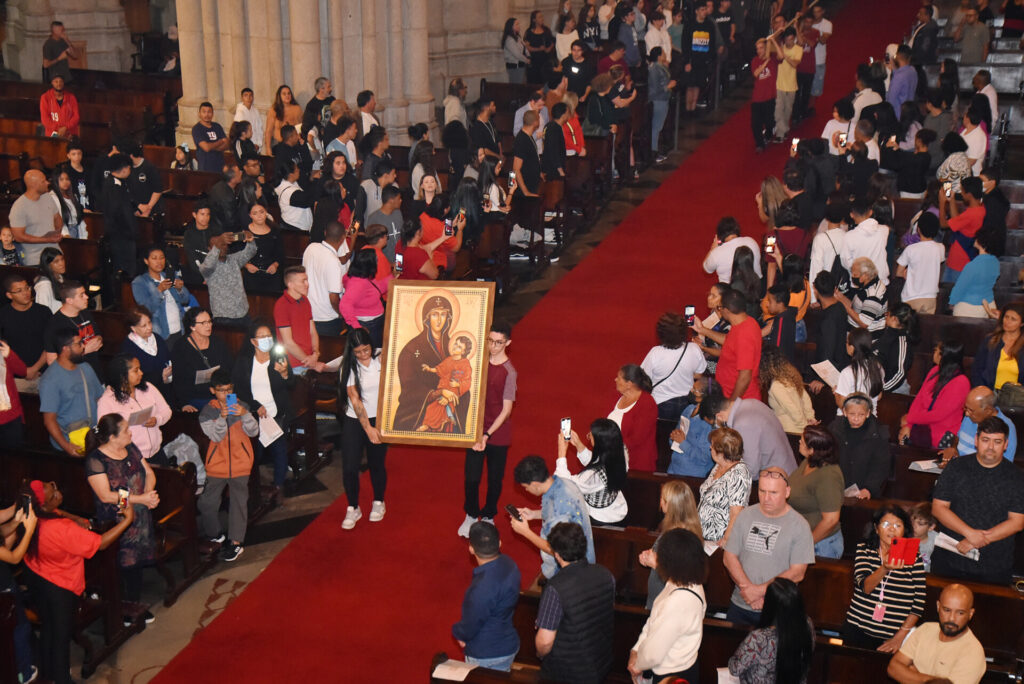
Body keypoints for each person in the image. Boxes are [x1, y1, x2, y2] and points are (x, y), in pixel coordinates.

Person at [23, 479, 133, 684]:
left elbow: (59, 514)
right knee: (61, 635)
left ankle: (47, 673)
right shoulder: (60, 529)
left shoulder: (34, 516)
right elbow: (100, 544)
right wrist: (127, 520)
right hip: (59, 586)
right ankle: (62, 678)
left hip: (36, 575)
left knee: (48, 627)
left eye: (53, 485)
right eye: (53, 492)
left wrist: (76, 519)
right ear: (45, 504)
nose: (56, 489)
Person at [85, 413, 160, 623]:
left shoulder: (131, 448)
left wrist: (149, 493)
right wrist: (140, 499)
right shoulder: (96, 460)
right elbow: (106, 496)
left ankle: (134, 605)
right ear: (112, 437)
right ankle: (122, 610)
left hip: (141, 516)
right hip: (116, 520)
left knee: (136, 565)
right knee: (122, 565)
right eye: (126, 430)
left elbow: (148, 471)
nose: (131, 433)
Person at [931, 416, 1024, 584]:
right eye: (985, 440)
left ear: (1006, 445)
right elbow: (938, 507)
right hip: (950, 556)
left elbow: (1017, 522)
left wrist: (978, 540)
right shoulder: (956, 467)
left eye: (997, 441)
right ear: (976, 440)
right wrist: (969, 533)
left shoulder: (1016, 477)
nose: (990, 447)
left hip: (995, 563)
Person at [723, 466, 815, 625]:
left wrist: (759, 592)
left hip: (777, 610)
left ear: (787, 492)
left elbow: (798, 572)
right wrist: (748, 591)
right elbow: (729, 557)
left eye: (773, 493)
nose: (766, 498)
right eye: (762, 491)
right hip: (740, 604)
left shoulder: (800, 525)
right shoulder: (745, 515)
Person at [531, 522, 614, 683]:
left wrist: (540, 654)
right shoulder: (605, 574)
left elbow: (545, 641)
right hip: (600, 661)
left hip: (569, 672)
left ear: (556, 554)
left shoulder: (555, 587)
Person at [459, 322, 517, 537]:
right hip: (474, 430)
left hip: (497, 434)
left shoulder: (509, 372)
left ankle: (490, 515)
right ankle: (471, 514)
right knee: (471, 477)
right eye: (490, 341)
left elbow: (507, 410)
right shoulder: (477, 362)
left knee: (494, 478)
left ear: (507, 343)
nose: (493, 346)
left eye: (499, 342)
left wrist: (487, 434)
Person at [841, 504, 926, 651]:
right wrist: (884, 568)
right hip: (858, 630)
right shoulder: (865, 549)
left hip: (893, 638)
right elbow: (865, 587)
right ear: (876, 528)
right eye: (886, 524)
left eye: (897, 525)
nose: (892, 529)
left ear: (904, 530)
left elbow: (918, 603)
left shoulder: (914, 558)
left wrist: (899, 638)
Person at [628, 529, 707, 683]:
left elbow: (653, 653)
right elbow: (654, 621)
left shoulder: (679, 601)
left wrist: (637, 664)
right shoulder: (685, 580)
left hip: (673, 675)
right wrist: (636, 649)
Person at [198, 369, 259, 561]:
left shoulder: (241, 405)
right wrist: (222, 418)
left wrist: (246, 414)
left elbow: (253, 431)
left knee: (239, 503)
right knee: (207, 502)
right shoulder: (208, 412)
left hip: (241, 462)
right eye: (221, 390)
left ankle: (236, 542)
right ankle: (215, 533)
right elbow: (216, 436)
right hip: (217, 465)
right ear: (212, 391)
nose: (226, 394)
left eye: (229, 389)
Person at [232, 320, 295, 499]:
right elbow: (238, 389)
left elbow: (291, 383)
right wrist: (254, 406)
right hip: (255, 415)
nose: (267, 339)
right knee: (255, 451)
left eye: (269, 336)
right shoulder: (244, 362)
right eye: (262, 336)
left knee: (279, 449)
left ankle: (278, 485)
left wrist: (284, 374)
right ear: (253, 341)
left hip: (277, 413)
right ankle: (253, 487)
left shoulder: (278, 357)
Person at [510, 455, 595, 578]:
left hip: (568, 572)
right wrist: (534, 514)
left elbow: (558, 549)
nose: (526, 491)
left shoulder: (559, 512)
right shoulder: (562, 482)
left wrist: (526, 532)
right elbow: (556, 512)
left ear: (535, 484)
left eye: (526, 487)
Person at [452, 521, 521, 671]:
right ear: (500, 543)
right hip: (509, 641)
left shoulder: (481, 588)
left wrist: (458, 633)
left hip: (487, 654)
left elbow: (472, 622)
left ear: (471, 549)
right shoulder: (510, 564)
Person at [338, 328, 388, 530]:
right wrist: (368, 429)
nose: (363, 355)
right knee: (350, 467)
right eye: (358, 352)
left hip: (379, 417)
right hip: (355, 420)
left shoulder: (381, 357)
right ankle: (353, 507)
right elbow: (354, 398)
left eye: (366, 350)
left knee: (377, 463)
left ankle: (379, 501)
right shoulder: (348, 366)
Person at [887, 584, 986, 684]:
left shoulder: (973, 651)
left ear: (970, 614)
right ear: (938, 606)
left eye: (960, 613)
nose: (952, 618)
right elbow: (893, 668)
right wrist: (934, 681)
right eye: (947, 610)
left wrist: (912, 674)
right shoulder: (925, 629)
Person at [728, 578, 814, 684]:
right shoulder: (807, 624)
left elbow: (735, 669)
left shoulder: (759, 637)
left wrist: (732, 659)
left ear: (770, 604)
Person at [97, 354, 172, 463]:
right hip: (130, 457)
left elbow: (166, 410)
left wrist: (157, 419)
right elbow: (106, 432)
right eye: (136, 370)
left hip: (157, 452)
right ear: (122, 375)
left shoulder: (148, 387)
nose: (141, 373)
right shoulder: (107, 400)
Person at [39, 329, 103, 455]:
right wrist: (66, 446)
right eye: (79, 344)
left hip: (93, 439)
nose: (84, 346)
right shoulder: (50, 379)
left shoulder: (86, 368)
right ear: (65, 349)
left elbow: (99, 399)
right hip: (71, 442)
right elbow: (49, 420)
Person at [704, 390, 797, 477]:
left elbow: (750, 470)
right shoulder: (750, 403)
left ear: (719, 416)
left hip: (778, 480)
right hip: (786, 470)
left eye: (713, 424)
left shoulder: (742, 424)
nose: (716, 427)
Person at [555, 419, 629, 526]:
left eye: (591, 435)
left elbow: (566, 484)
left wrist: (561, 453)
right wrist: (579, 445)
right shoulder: (621, 452)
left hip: (601, 517)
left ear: (599, 442)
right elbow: (599, 462)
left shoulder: (592, 476)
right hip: (615, 505)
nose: (589, 436)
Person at [693, 289, 762, 400]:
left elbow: (745, 376)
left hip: (739, 399)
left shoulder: (745, 335)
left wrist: (731, 404)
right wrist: (702, 329)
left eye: (720, 308)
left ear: (727, 310)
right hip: (727, 393)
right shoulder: (745, 322)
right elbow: (729, 340)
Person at [788, 424, 845, 558]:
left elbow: (831, 520)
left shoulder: (828, 476)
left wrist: (807, 544)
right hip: (801, 537)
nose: (799, 442)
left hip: (821, 546)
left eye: (802, 441)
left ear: (812, 450)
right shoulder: (808, 462)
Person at [900, 340, 970, 448]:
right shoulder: (935, 371)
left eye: (936, 351)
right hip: (920, 424)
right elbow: (919, 400)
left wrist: (910, 418)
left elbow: (939, 414)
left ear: (943, 356)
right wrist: (909, 425)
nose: (934, 353)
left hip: (942, 432)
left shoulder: (961, 382)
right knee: (902, 436)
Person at [831, 393, 891, 500]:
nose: (856, 419)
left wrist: (869, 488)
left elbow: (881, 465)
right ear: (844, 412)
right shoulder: (835, 428)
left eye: (861, 415)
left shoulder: (879, 432)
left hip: (864, 488)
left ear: (868, 413)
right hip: (836, 486)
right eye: (852, 414)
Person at [698, 426, 753, 544]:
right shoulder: (719, 465)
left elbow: (736, 513)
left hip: (718, 542)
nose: (710, 447)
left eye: (712, 445)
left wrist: (726, 541)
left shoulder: (739, 474)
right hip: (703, 537)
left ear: (721, 451)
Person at [131, 246, 189, 346]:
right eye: (154, 258)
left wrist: (180, 289)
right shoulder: (140, 282)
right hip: (160, 333)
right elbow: (146, 310)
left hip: (179, 329)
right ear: (146, 261)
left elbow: (186, 300)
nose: (159, 261)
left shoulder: (170, 275)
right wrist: (159, 291)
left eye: (162, 257)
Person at [0, 274, 51, 385]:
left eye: (27, 288)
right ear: (9, 295)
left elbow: (51, 343)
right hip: (15, 376)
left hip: (44, 373)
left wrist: (34, 369)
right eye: (19, 291)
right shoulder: (3, 315)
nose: (26, 293)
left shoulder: (43, 312)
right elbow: (3, 349)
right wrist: (22, 371)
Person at [302, 221, 350, 337]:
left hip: (307, 312)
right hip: (327, 318)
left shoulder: (311, 248)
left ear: (325, 233)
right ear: (343, 238)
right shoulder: (333, 261)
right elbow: (333, 297)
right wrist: (341, 314)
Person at [201, 230, 257, 327]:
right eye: (217, 245)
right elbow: (208, 265)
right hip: (222, 317)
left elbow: (251, 251)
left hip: (243, 313)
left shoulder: (234, 259)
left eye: (223, 244)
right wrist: (218, 245)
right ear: (210, 249)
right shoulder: (206, 267)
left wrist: (250, 238)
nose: (221, 247)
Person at [608, 364, 659, 471]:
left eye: (619, 378)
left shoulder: (647, 403)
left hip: (636, 464)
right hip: (615, 457)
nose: (615, 379)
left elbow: (637, 438)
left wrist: (607, 442)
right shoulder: (618, 398)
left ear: (629, 384)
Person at [949, 386, 1018, 463]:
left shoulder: (1006, 426)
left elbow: (1005, 466)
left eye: (971, 410)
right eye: (966, 408)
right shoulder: (970, 417)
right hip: (958, 466)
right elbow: (958, 438)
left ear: (988, 411)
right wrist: (953, 449)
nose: (967, 413)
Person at [119, 306, 174, 403]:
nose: (149, 327)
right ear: (133, 328)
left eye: (149, 322)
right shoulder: (128, 347)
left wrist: (169, 373)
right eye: (144, 326)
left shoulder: (157, 339)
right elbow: (131, 377)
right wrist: (160, 376)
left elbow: (168, 359)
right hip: (144, 395)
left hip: (166, 390)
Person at [8, 169, 62, 267]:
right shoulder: (19, 206)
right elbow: (18, 236)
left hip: (55, 254)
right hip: (35, 260)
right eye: (43, 181)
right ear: (34, 185)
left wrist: (57, 232)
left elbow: (57, 218)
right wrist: (46, 240)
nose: (47, 183)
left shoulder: (47, 197)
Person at [895, 212, 944, 314]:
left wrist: (906, 272)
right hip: (931, 297)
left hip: (911, 296)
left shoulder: (911, 249)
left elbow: (898, 273)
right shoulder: (940, 248)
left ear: (918, 229)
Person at [760, 344, 814, 434]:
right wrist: (810, 418)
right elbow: (805, 398)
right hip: (801, 427)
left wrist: (805, 427)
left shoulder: (776, 385)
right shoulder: (792, 377)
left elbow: (791, 408)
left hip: (789, 431)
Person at [971, 302, 1024, 391]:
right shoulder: (990, 340)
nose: (1007, 322)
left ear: (1022, 324)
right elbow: (977, 369)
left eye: (1013, 319)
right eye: (1006, 317)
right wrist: (981, 390)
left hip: (1016, 397)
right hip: (989, 392)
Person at [948, 232, 999, 319]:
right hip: (989, 304)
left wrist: (952, 302)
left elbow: (960, 287)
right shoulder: (995, 262)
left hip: (969, 308)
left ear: (981, 242)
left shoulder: (973, 265)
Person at [834, 328, 884, 412]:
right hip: (871, 417)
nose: (846, 345)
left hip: (850, 420)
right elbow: (878, 396)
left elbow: (842, 405)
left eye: (847, 342)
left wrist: (836, 393)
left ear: (852, 347)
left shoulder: (848, 372)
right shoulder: (878, 367)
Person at [702, 216, 762, 283]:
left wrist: (712, 249)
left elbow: (706, 268)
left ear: (719, 236)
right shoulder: (752, 241)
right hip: (756, 289)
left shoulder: (717, 253)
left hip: (730, 292)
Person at [750, 38, 780, 152]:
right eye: (757, 49)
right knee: (755, 123)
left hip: (770, 97)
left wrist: (774, 42)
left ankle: (767, 136)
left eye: (761, 48)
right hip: (757, 98)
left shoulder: (773, 59)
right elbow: (756, 73)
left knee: (769, 122)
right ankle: (759, 144)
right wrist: (765, 62)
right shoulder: (755, 60)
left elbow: (781, 56)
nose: (759, 51)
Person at [191, 102, 229, 173]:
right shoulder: (197, 129)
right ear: (199, 114)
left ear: (212, 114)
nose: (206, 114)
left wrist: (212, 146)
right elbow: (206, 148)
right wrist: (220, 142)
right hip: (205, 167)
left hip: (220, 166)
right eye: (204, 112)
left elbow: (227, 144)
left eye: (209, 112)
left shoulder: (217, 126)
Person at [233, 87, 265, 153]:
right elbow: (240, 132)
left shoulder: (255, 111)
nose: (248, 98)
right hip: (245, 147)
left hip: (256, 146)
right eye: (246, 95)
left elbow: (259, 129)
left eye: (250, 95)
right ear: (242, 98)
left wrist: (258, 144)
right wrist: (250, 145)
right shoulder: (240, 112)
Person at [34, 247, 65, 313]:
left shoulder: (60, 278)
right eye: (56, 261)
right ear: (48, 265)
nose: (61, 264)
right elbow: (42, 312)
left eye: (62, 259)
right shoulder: (44, 286)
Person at [502, 18, 529, 84]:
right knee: (516, 86)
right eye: (516, 24)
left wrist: (529, 56)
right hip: (514, 67)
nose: (519, 26)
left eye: (518, 24)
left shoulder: (518, 37)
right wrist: (526, 60)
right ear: (511, 26)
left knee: (521, 85)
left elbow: (525, 48)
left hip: (521, 65)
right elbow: (517, 54)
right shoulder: (509, 39)